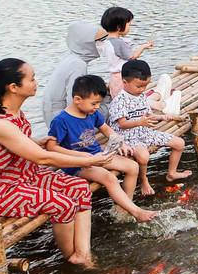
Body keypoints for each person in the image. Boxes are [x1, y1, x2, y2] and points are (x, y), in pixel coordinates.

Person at [0, 58, 105, 267]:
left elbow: (18, 142)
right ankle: (73, 259)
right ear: (14, 87)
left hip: (26, 176)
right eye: (31, 79)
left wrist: (37, 141)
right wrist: (89, 158)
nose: (36, 83)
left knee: (80, 187)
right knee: (63, 204)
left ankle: (83, 253)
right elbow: (42, 158)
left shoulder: (13, 112)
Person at [47, 75, 156, 223]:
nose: (98, 106)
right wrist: (81, 157)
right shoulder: (61, 120)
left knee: (133, 166)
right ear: (77, 99)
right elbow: (51, 147)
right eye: (94, 103)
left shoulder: (92, 113)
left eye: (99, 103)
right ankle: (136, 212)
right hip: (77, 163)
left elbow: (106, 128)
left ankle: (124, 206)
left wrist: (119, 142)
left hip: (97, 154)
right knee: (109, 178)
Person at [108, 60, 191, 197]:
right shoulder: (119, 101)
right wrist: (139, 122)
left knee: (179, 143)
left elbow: (147, 115)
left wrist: (160, 118)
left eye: (145, 85)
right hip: (127, 136)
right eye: (139, 86)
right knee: (143, 156)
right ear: (125, 82)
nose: (142, 89)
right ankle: (143, 180)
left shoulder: (141, 96)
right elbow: (122, 124)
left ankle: (171, 173)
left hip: (145, 132)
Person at [40, 21, 107, 126]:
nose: (105, 44)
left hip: (53, 113)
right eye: (101, 41)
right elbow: (73, 100)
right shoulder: (79, 65)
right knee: (110, 105)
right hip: (60, 117)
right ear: (87, 43)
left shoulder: (71, 58)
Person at [97, 6, 154, 98]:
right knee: (127, 97)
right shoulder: (119, 43)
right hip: (122, 77)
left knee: (117, 98)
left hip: (113, 77)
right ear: (119, 27)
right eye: (129, 24)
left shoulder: (107, 42)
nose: (129, 27)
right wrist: (143, 47)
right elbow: (132, 57)